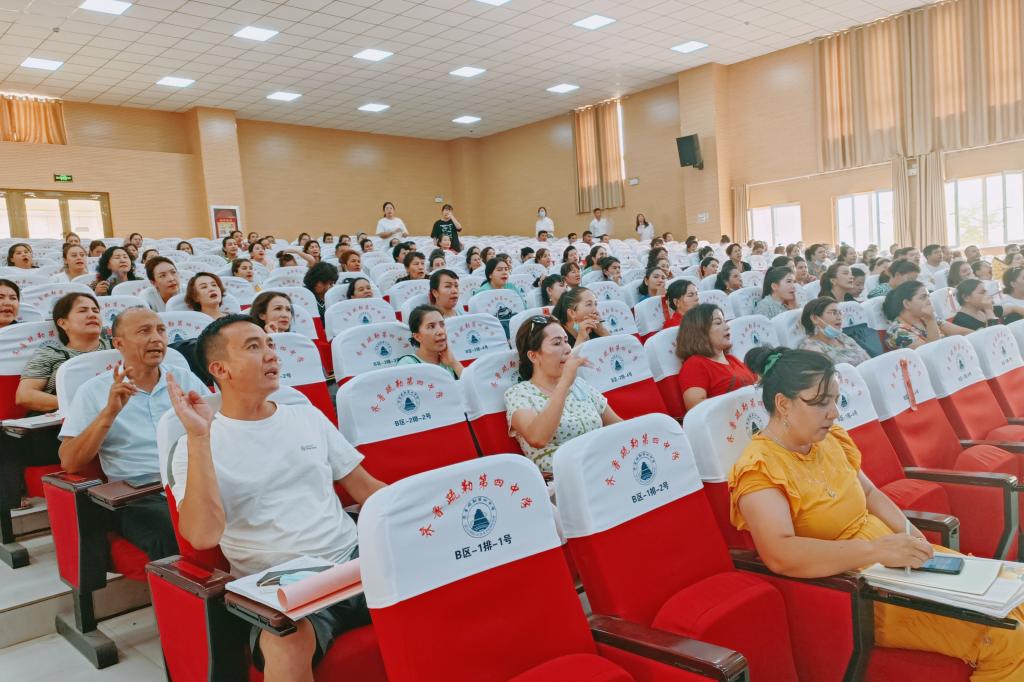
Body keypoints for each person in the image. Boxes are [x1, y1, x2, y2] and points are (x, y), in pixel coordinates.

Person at [731, 346, 1024, 679]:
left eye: (835, 401)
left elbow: (869, 493)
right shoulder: (759, 469)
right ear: (783, 404)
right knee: (1008, 636)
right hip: (855, 590)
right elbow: (780, 554)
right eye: (821, 403)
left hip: (893, 559)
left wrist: (911, 535)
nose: (834, 413)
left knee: (1017, 601)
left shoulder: (828, 439)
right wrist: (876, 550)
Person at [166, 315, 386, 680]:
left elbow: (367, 489)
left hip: (355, 561)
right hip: (282, 586)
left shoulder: (307, 416)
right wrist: (199, 439)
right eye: (254, 347)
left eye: (270, 344)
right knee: (285, 642)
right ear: (220, 369)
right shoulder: (195, 444)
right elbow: (202, 536)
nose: (271, 354)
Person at [58, 307, 209, 559]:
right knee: (175, 530)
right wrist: (109, 413)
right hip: (139, 497)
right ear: (119, 343)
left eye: (161, 330)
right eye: (144, 331)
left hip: (195, 482)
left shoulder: (184, 379)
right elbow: (70, 462)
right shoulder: (93, 391)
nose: (156, 338)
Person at [504, 315, 621, 472]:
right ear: (533, 356)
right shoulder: (519, 393)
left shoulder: (579, 384)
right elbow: (537, 438)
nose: (567, 349)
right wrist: (564, 383)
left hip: (606, 465)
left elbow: (619, 426)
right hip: (565, 477)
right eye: (557, 343)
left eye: (566, 341)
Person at [16, 292, 111, 414]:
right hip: (67, 420)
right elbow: (25, 396)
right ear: (63, 323)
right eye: (83, 311)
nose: (92, 315)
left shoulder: (119, 347)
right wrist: (81, 406)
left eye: (95, 311)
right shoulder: (50, 353)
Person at [675, 304, 755, 412]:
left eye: (725, 322)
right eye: (718, 323)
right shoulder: (694, 364)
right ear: (700, 331)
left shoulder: (732, 359)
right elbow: (697, 410)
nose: (727, 326)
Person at [798, 297, 869, 366]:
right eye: (834, 313)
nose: (839, 317)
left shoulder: (842, 337)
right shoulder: (810, 349)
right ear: (815, 319)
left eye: (840, 313)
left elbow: (867, 359)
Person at [397, 305, 462, 379]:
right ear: (417, 337)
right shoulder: (407, 365)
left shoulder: (449, 360)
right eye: (431, 326)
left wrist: (453, 363)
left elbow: (469, 384)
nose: (441, 331)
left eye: (442, 325)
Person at [883, 281, 947, 350]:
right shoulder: (897, 332)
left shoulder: (923, 317)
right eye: (923, 297)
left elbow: (956, 333)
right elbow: (932, 352)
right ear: (907, 304)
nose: (929, 301)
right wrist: (930, 320)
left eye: (928, 296)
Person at [952, 279, 1024, 330]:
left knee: (1015, 316)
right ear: (966, 298)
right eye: (982, 292)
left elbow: (1013, 308)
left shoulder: (981, 309)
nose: (987, 295)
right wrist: (989, 311)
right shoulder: (960, 320)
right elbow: (992, 336)